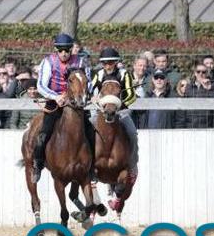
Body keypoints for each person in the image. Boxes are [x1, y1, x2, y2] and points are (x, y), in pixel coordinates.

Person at [32, 33, 86, 183]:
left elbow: (86, 82)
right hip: (55, 102)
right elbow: (41, 85)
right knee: (44, 133)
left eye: (67, 50)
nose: (64, 53)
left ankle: (92, 165)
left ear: (71, 50)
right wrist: (55, 97)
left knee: (90, 130)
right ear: (56, 50)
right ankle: (38, 163)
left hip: (75, 103)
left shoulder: (80, 62)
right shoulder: (48, 62)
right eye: (61, 50)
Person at [89, 47, 138, 179]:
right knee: (86, 131)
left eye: (110, 62)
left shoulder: (124, 74)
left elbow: (132, 95)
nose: (107, 66)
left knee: (132, 133)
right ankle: (88, 166)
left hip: (120, 111)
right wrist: (92, 98)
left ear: (116, 62)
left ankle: (132, 166)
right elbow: (88, 89)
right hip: (101, 110)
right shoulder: (99, 74)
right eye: (104, 63)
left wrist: (119, 105)